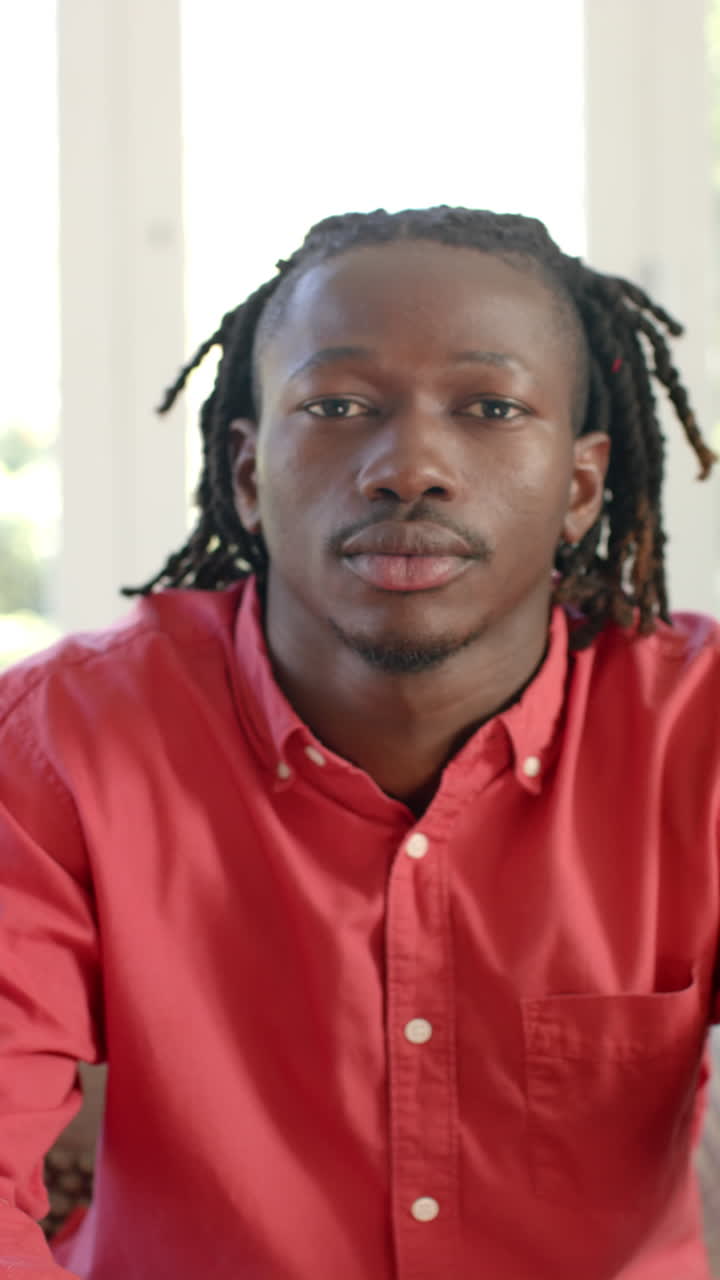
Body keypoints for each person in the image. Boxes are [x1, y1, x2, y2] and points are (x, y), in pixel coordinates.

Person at [1, 205, 719, 1280]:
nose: (409, 467)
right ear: (247, 474)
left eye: (489, 406)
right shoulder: (57, 741)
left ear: (579, 486)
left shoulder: (695, 736)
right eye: (337, 404)